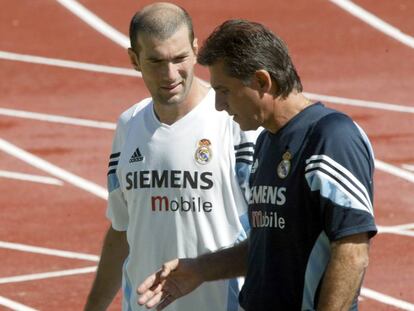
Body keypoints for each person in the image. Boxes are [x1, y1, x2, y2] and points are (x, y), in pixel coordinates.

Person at [137, 19, 378, 311]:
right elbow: (266, 246)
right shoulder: (266, 142)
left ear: (263, 81)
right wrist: (201, 269)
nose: (219, 106)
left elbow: (352, 251)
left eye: (224, 91)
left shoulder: (330, 138)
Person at [84, 5, 258, 311]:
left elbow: (269, 230)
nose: (169, 75)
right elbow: (122, 230)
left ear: (195, 51)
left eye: (179, 59)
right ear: (134, 60)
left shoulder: (234, 122)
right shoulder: (129, 125)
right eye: (156, 61)